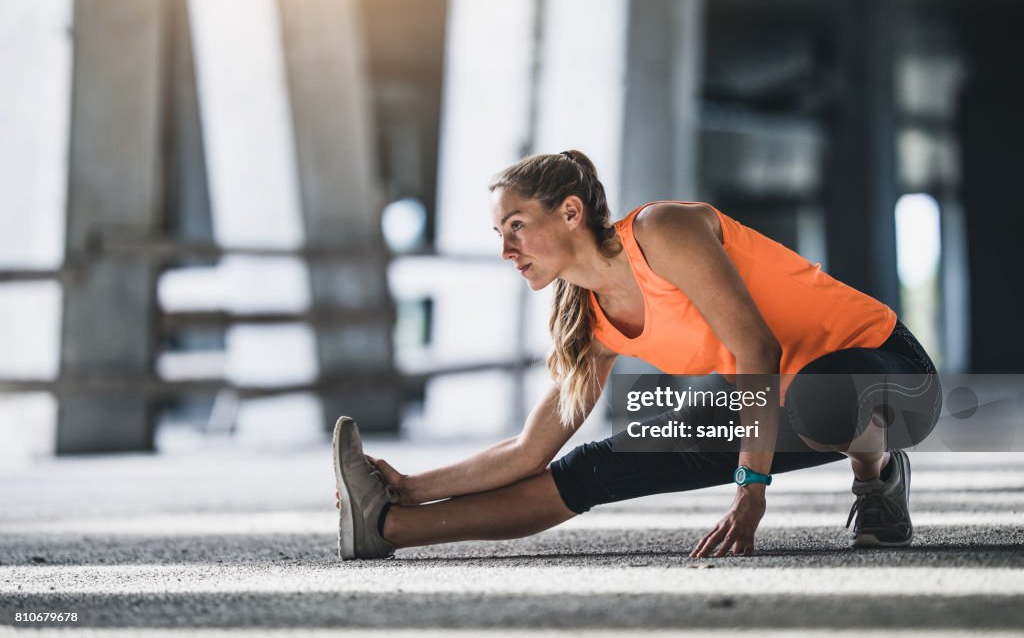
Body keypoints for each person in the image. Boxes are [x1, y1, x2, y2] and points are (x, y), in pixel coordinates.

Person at [332, 149, 941, 561]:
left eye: (516, 226)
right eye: (500, 234)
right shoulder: (593, 323)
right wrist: (408, 488)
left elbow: (758, 346)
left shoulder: (662, 231)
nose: (507, 250)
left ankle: (877, 477)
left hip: (884, 370)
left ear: (570, 211)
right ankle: (386, 530)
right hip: (775, 402)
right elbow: (528, 452)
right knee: (596, 467)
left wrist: (750, 487)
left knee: (822, 396)